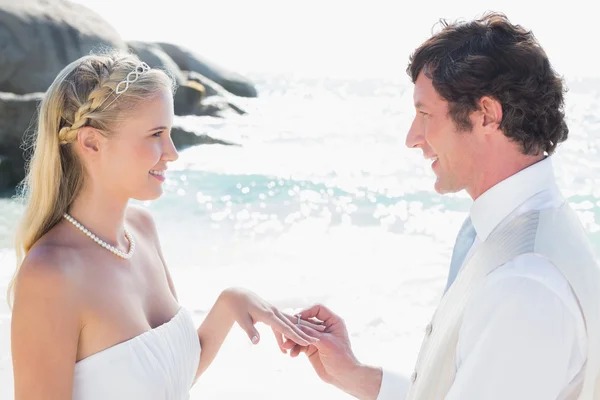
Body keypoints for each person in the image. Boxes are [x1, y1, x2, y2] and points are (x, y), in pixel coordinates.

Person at [280, 12, 600, 400]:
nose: (412, 138)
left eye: (425, 114)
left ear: (486, 115)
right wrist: (356, 375)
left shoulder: (525, 282)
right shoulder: (512, 233)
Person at [7, 50, 322, 400]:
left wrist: (231, 303)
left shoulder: (141, 229)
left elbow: (165, 380)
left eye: (169, 132)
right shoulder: (50, 275)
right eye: (156, 133)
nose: (172, 152)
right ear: (92, 142)